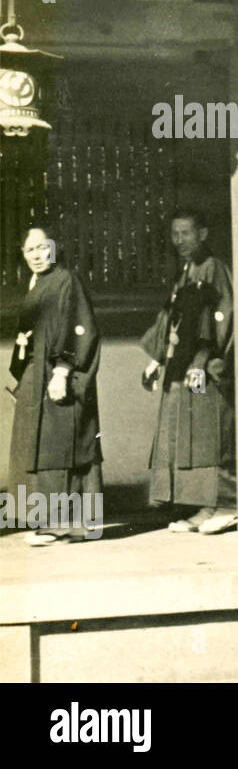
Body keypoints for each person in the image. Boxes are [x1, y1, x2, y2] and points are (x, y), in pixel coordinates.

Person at [7, 223, 104, 545]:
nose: (36, 255)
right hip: (38, 378)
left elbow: (79, 326)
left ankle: (65, 523)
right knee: (42, 447)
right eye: (29, 250)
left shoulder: (66, 280)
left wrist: (63, 370)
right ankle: (53, 521)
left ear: (54, 246)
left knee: (64, 446)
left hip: (60, 375)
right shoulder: (37, 283)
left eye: (41, 247)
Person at [141, 208, 237, 533]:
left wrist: (201, 361)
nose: (179, 240)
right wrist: (157, 357)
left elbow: (220, 317)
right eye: (175, 233)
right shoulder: (187, 270)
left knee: (209, 434)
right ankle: (203, 506)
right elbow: (171, 318)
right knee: (189, 434)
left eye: (186, 232)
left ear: (203, 234)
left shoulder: (214, 268)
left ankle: (225, 504)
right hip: (184, 367)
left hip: (204, 370)